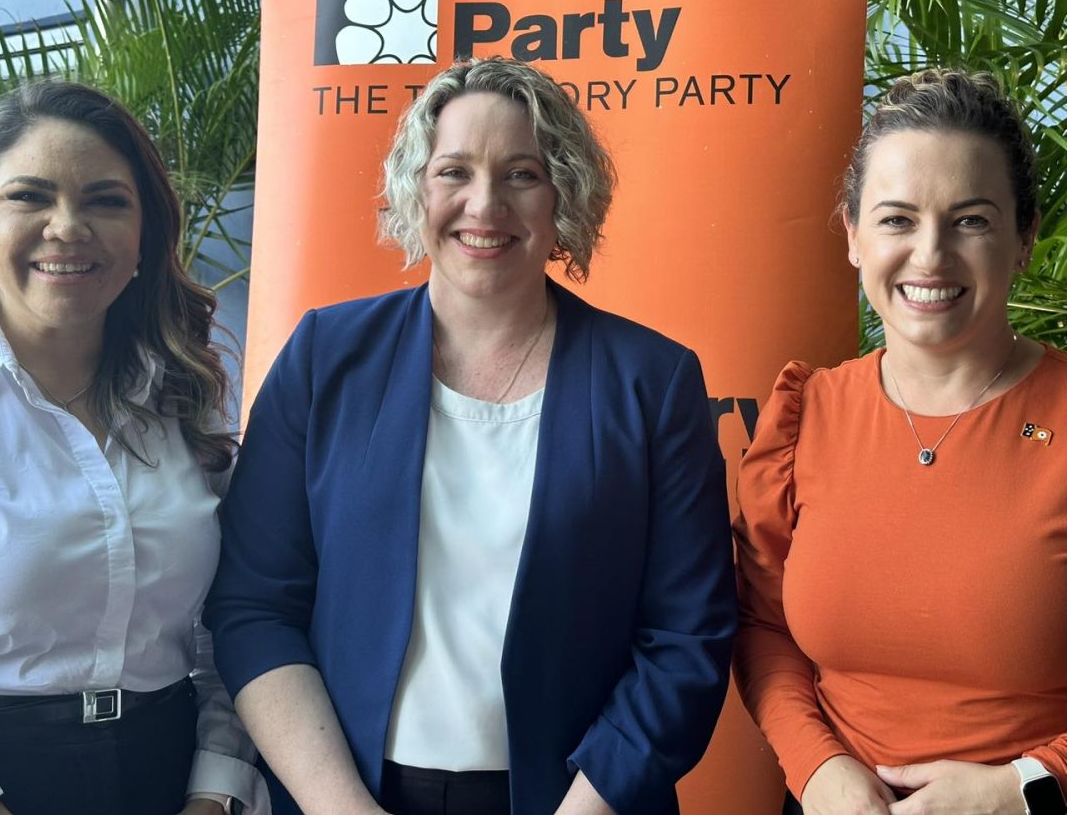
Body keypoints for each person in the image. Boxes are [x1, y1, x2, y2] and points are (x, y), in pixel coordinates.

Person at [204, 57, 736, 815]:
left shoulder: (652, 380)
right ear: (416, 189)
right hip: (348, 795)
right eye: (454, 171)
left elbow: (686, 638)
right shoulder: (326, 357)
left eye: (522, 174)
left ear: (563, 197)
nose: (485, 205)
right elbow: (255, 607)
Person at [0, 81, 260, 815]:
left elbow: (223, 626)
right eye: (30, 197)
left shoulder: (182, 396)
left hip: (165, 775)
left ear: (145, 231)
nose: (68, 226)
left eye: (107, 201)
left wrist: (216, 788)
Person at [734, 69, 1067, 815]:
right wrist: (819, 771)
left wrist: (1026, 787)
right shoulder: (805, 416)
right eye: (896, 220)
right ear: (853, 236)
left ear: (1025, 237)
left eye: (972, 220)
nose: (930, 256)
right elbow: (764, 627)